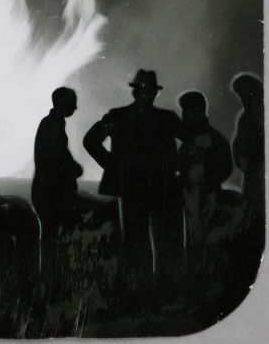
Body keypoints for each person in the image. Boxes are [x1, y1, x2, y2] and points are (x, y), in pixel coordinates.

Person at [83, 69, 184, 290]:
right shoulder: (122, 117)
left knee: (157, 239)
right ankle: (143, 289)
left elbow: (190, 140)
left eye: (149, 90)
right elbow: (91, 140)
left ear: (154, 93)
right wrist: (113, 166)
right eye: (143, 89)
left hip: (156, 187)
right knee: (137, 240)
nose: (146, 94)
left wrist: (178, 167)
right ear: (136, 91)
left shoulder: (162, 119)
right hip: (138, 187)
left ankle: (154, 289)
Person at [177, 90, 233, 264]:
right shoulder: (187, 139)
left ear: (201, 111)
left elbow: (225, 169)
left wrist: (208, 182)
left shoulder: (215, 140)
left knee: (201, 242)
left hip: (207, 198)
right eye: (185, 111)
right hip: (187, 198)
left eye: (190, 111)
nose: (185, 115)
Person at [31, 87, 83, 240]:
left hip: (48, 191)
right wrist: (73, 169)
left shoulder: (52, 124)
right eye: (72, 103)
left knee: (51, 234)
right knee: (51, 235)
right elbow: (56, 158)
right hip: (50, 192)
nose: (74, 107)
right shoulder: (52, 125)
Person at [230, 72, 264, 223]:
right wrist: (240, 158)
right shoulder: (243, 117)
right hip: (251, 176)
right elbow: (237, 144)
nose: (243, 99)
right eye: (240, 95)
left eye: (247, 93)